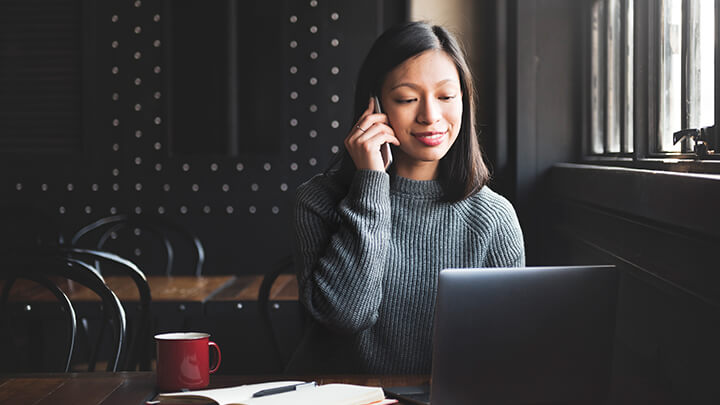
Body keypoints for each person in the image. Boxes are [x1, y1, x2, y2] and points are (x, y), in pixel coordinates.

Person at [288, 21, 525, 374]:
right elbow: (345, 316)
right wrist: (370, 182)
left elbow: (508, 351)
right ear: (374, 106)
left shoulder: (494, 217)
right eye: (407, 99)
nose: (431, 116)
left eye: (446, 96)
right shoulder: (316, 201)